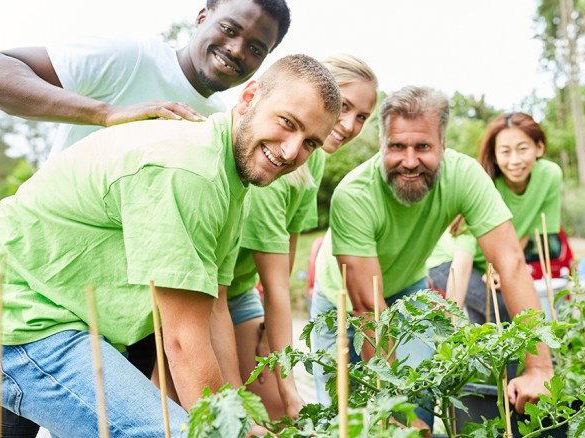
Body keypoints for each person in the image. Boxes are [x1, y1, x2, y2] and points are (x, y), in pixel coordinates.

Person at [0, 54, 341, 437]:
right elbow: (182, 341)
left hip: (62, 313)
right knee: (167, 432)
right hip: (20, 313)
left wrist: (238, 411)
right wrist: (232, 430)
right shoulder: (190, 170)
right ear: (250, 96)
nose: (291, 152)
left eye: (309, 143)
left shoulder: (230, 172)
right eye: (287, 123)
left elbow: (213, 310)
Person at [310, 87, 554, 431]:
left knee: (419, 395)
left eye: (423, 147)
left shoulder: (465, 176)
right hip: (341, 302)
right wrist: (399, 416)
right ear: (382, 143)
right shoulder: (355, 195)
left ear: (442, 144)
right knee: (340, 418)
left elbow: (511, 264)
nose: (410, 161)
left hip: (407, 289)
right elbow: (368, 308)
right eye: (397, 146)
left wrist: (539, 369)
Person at [210, 54, 378, 420]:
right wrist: (287, 389)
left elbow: (285, 256)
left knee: (272, 413)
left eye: (362, 116)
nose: (349, 125)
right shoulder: (276, 159)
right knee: (230, 409)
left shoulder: (310, 157)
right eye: (344, 107)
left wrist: (272, 334)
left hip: (238, 290)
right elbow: (271, 284)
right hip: (210, 291)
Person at [0, 0, 291, 160]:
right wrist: (106, 113)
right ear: (202, 18)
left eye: (255, 48)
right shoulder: (132, 58)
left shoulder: (219, 121)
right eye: (228, 28)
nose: (236, 50)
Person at [428, 112, 563, 323]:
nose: (515, 161)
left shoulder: (550, 177)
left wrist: (503, 269)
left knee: (509, 315)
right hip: (450, 259)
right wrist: (451, 323)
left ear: (539, 148)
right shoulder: (483, 184)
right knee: (504, 309)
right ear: (495, 155)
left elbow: (526, 231)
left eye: (523, 149)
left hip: (489, 263)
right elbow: (462, 258)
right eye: (505, 152)